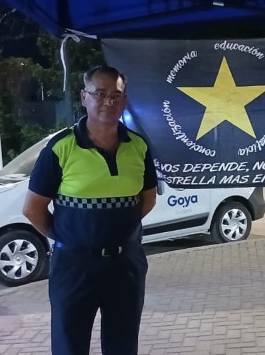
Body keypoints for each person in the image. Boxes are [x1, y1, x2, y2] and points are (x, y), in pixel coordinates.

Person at [23, 65, 158, 355]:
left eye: (116, 95)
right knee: (69, 346)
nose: (108, 101)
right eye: (99, 93)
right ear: (84, 97)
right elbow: (33, 209)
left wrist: (116, 232)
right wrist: (70, 238)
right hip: (74, 266)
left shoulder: (139, 147)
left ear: (124, 100)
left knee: (123, 346)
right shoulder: (61, 148)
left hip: (126, 266)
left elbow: (147, 201)